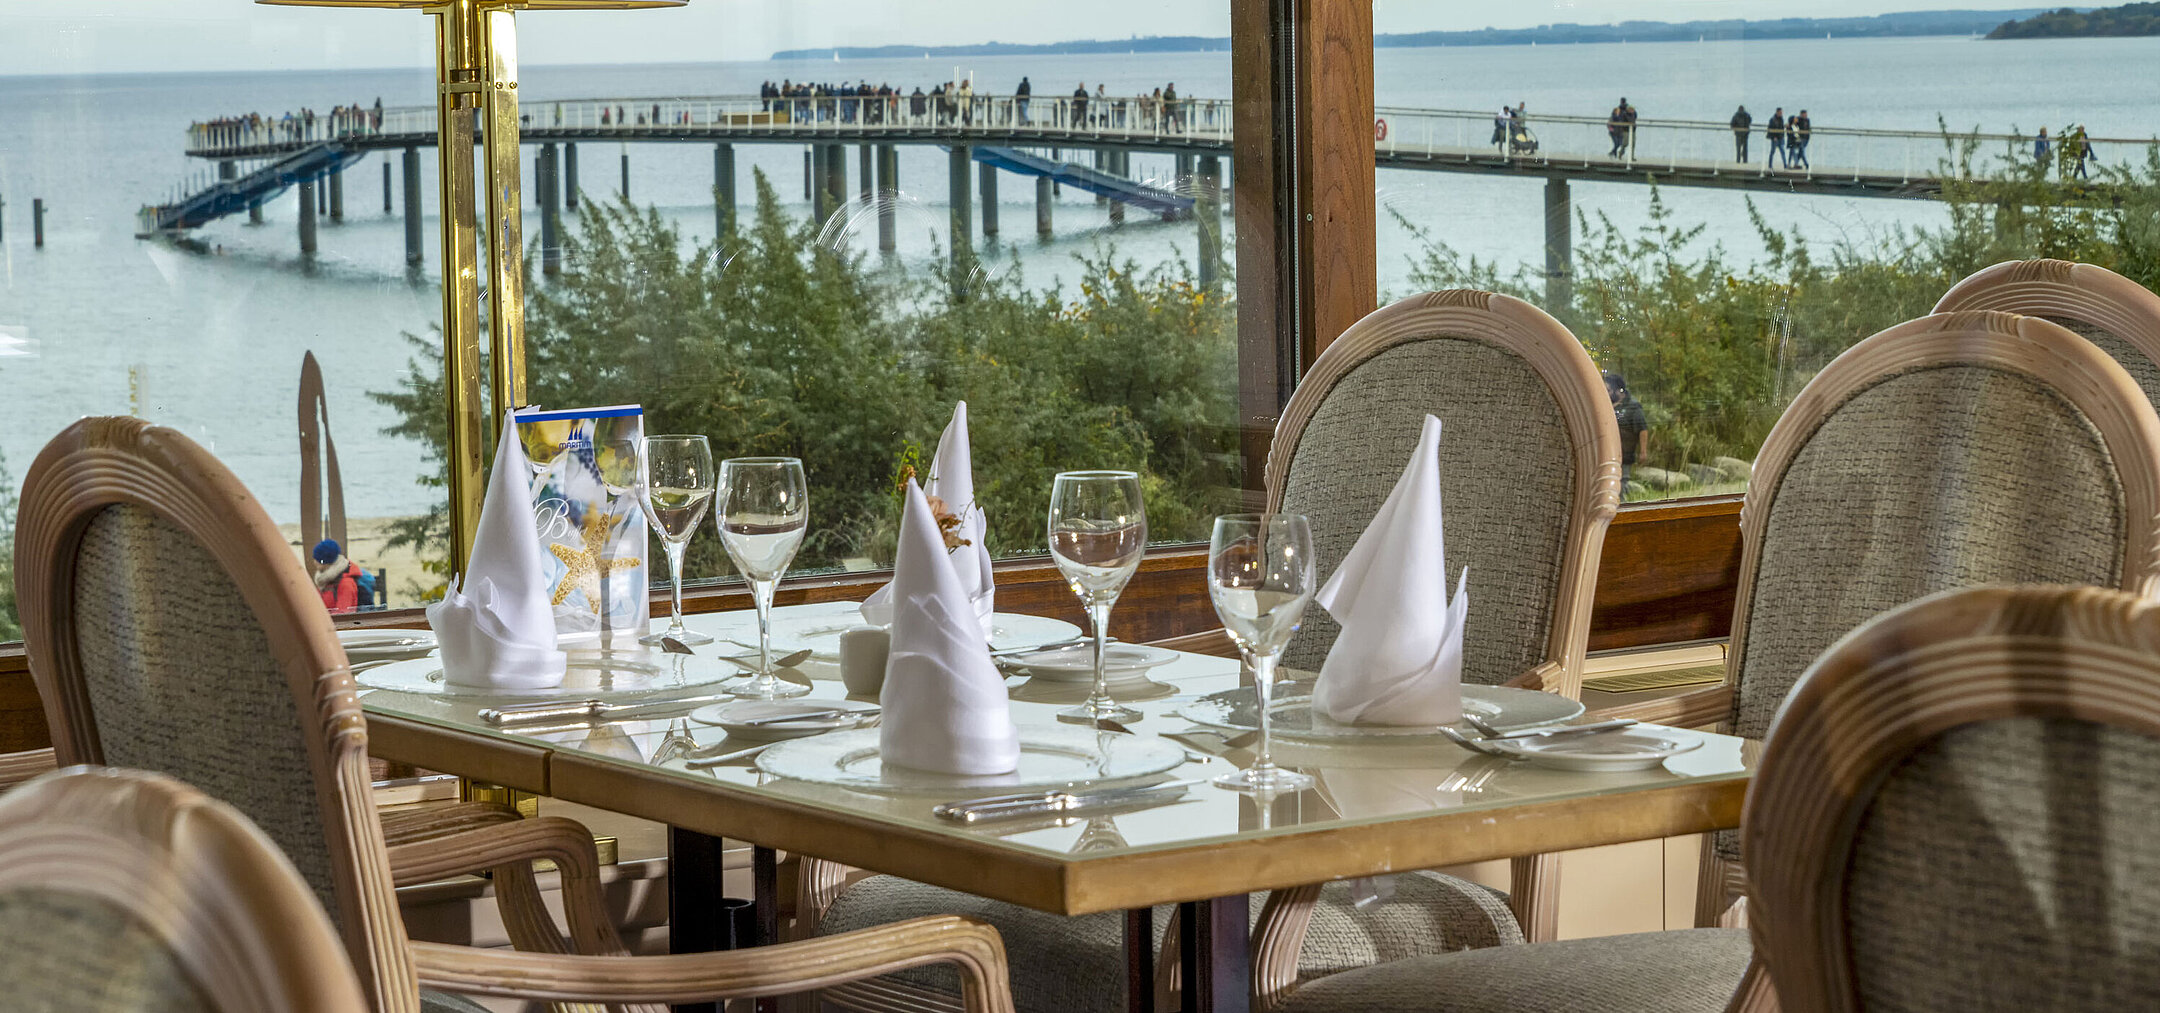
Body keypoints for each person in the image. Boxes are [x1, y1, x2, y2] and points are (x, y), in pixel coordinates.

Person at [1605, 373, 1649, 490]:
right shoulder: (1606, 404)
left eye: (1609, 390)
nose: (1606, 393)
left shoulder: (1633, 407)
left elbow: (1643, 429)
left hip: (1625, 454)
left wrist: (1643, 452)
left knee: (1621, 486)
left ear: (1618, 390)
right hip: (1607, 454)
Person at [312, 539, 365, 614]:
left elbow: (342, 616)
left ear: (326, 562)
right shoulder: (325, 578)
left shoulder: (346, 583)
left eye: (317, 559)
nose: (314, 562)